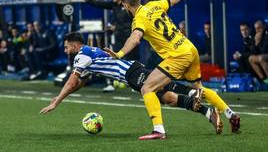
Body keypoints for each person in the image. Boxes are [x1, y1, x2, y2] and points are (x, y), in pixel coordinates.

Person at [104, 0, 240, 140]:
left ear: (125, 5)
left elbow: (135, 38)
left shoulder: (138, 20)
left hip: (177, 56)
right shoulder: (154, 5)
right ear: (139, 0)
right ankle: (230, 114)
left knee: (147, 88)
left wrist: (120, 53)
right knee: (198, 89)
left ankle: (159, 130)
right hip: (189, 48)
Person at [40, 32, 223, 135]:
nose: (65, 50)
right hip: (132, 72)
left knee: (164, 89)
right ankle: (208, 113)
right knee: (168, 98)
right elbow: (79, 83)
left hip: (131, 74)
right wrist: (62, 95)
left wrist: (57, 101)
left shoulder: (82, 55)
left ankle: (193, 94)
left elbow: (72, 82)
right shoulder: (89, 53)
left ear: (75, 45)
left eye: (66, 46)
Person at [83, 0, 140, 92]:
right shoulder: (114, 5)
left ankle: (135, 83)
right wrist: (88, 0)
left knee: (133, 60)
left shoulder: (130, 7)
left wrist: (117, 27)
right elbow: (101, 4)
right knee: (113, 59)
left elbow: (135, 21)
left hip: (131, 38)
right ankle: (111, 83)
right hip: (118, 38)